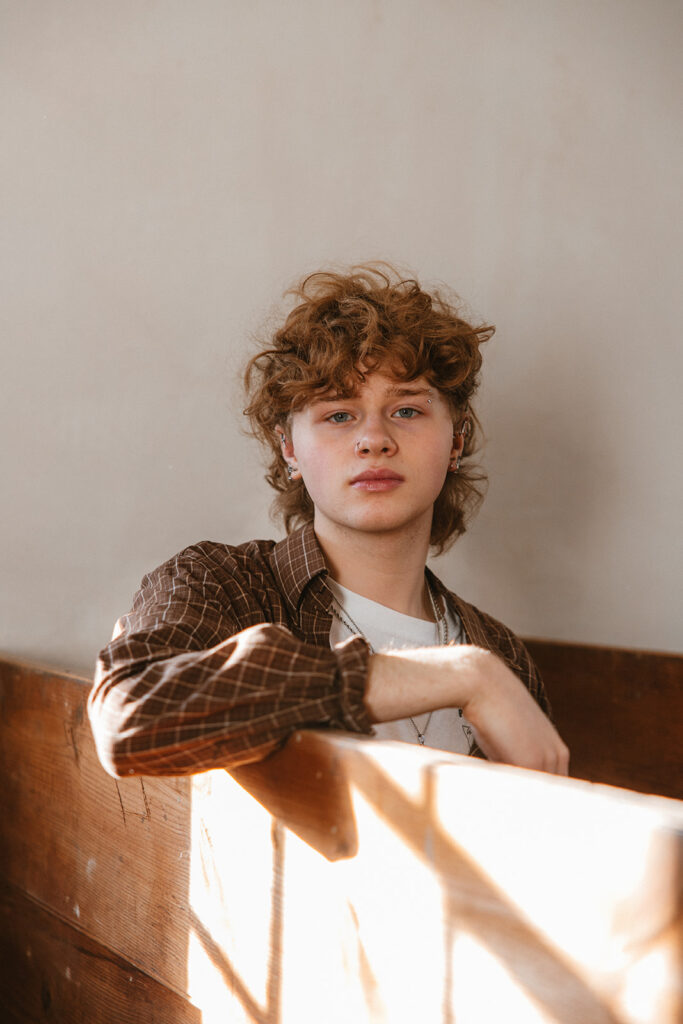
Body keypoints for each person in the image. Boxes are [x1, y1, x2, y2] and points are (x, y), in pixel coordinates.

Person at [88, 264, 569, 779]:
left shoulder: (502, 654)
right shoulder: (222, 584)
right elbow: (131, 716)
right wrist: (462, 677)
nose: (374, 439)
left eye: (407, 410)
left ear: (456, 440)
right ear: (289, 449)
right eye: (338, 415)